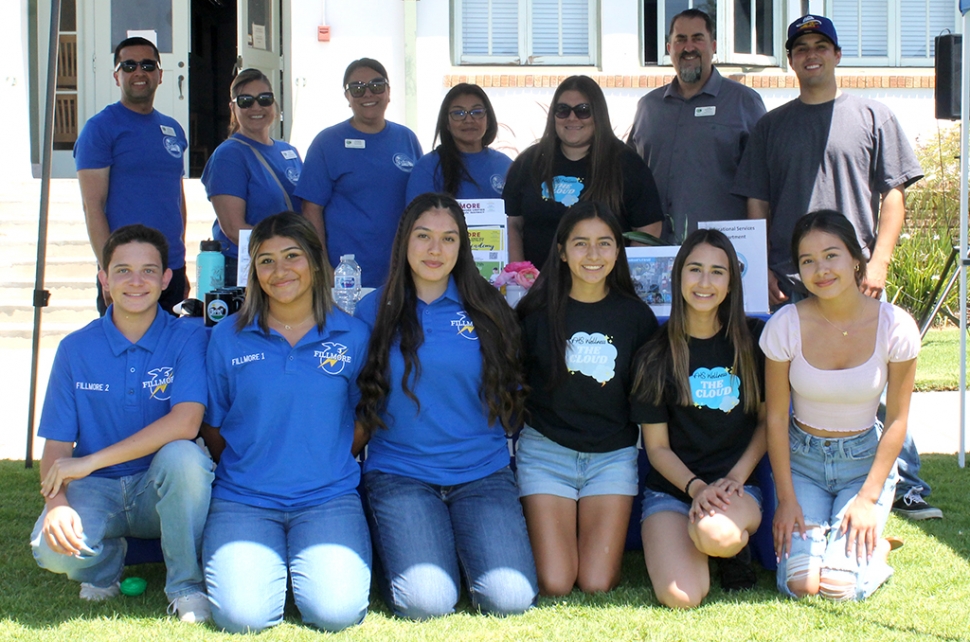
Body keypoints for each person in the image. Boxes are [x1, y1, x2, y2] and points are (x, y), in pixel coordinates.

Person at [732, 14, 938, 521]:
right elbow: (756, 202)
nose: (811, 55)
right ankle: (793, 483)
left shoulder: (874, 116)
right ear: (791, 60)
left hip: (858, 279)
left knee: (876, 384)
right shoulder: (770, 126)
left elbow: (893, 195)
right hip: (790, 284)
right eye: (801, 48)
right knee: (790, 393)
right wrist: (762, 270)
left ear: (838, 55)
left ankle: (905, 484)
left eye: (821, 45)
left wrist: (880, 264)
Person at [354, 193, 538, 619]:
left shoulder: (490, 310)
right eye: (423, 236)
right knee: (426, 603)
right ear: (404, 242)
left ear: (462, 247)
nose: (435, 250)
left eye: (448, 239)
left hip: (482, 475)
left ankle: (451, 545)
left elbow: (512, 394)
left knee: (509, 600)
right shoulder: (372, 311)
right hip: (401, 475)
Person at [30, 224, 212, 622]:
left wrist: (89, 461)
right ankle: (106, 564)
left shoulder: (189, 337)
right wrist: (56, 503)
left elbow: (186, 422)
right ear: (104, 279)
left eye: (148, 270)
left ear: (167, 279)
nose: (136, 281)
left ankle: (185, 586)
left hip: (157, 487)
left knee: (185, 458)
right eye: (122, 270)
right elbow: (57, 449)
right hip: (97, 490)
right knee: (49, 548)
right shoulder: (75, 347)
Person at [202, 212, 372, 633]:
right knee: (243, 618)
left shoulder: (353, 335)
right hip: (244, 500)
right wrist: (256, 462)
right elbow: (213, 425)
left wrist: (321, 458)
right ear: (253, 272)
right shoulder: (227, 336)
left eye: (292, 256)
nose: (280, 271)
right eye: (266, 261)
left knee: (336, 613)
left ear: (315, 262)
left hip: (327, 498)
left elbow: (366, 416)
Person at [762, 210, 918, 601]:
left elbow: (897, 419)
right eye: (807, 261)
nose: (821, 269)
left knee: (837, 588)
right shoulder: (784, 325)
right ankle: (831, 539)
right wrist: (786, 499)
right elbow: (777, 418)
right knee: (801, 584)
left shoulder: (895, 326)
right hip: (803, 464)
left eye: (831, 255)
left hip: (863, 465)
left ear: (855, 259)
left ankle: (874, 549)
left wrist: (867, 498)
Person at [516, 202, 659, 595]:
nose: (593, 255)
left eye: (604, 244)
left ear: (618, 251)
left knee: (596, 582)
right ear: (561, 250)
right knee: (555, 581)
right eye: (581, 244)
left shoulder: (637, 318)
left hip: (611, 458)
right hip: (547, 454)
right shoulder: (535, 313)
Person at [630, 229, 766, 608]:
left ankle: (728, 549)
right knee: (681, 597)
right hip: (674, 492)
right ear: (678, 276)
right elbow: (656, 449)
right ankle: (699, 543)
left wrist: (733, 479)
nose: (704, 282)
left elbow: (768, 422)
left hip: (736, 488)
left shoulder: (753, 341)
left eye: (717, 272)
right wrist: (697, 490)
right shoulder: (655, 354)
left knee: (715, 536)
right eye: (695, 269)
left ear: (731, 282)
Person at [627, 9, 765, 244]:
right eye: (680, 40)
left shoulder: (744, 103)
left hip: (720, 255)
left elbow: (762, 186)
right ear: (669, 48)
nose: (688, 47)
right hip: (656, 255)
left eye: (697, 38)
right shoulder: (648, 107)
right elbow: (629, 179)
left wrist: (760, 250)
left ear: (713, 46)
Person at [75, 36, 190, 315]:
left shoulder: (173, 129)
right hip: (128, 271)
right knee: (126, 355)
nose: (139, 72)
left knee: (167, 354)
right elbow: (93, 206)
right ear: (117, 76)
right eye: (129, 65)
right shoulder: (100, 128)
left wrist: (180, 261)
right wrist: (108, 268)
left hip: (169, 268)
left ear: (160, 75)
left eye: (148, 65)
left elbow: (176, 198)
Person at [503, 75, 663, 267]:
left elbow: (648, 229)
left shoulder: (626, 164)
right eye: (562, 110)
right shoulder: (528, 162)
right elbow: (512, 224)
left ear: (598, 114)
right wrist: (519, 276)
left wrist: (623, 278)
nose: (572, 118)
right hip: (538, 290)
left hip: (605, 291)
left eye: (583, 111)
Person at [297, 58, 422, 288]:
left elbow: (420, 206)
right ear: (347, 97)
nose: (367, 94)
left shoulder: (406, 139)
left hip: (402, 276)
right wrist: (323, 268)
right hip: (345, 279)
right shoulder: (327, 143)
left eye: (376, 85)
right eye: (357, 88)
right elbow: (310, 210)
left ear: (388, 92)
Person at [201, 68, 303, 286]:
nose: (256, 107)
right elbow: (233, 228)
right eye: (246, 101)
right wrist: (289, 247)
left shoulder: (289, 152)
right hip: (248, 270)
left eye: (264, 99)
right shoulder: (229, 155)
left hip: (288, 265)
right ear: (233, 107)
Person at [405, 84, 511, 202]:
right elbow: (418, 217)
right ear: (447, 123)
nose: (469, 120)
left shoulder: (506, 165)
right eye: (458, 113)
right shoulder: (428, 167)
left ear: (488, 120)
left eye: (477, 112)